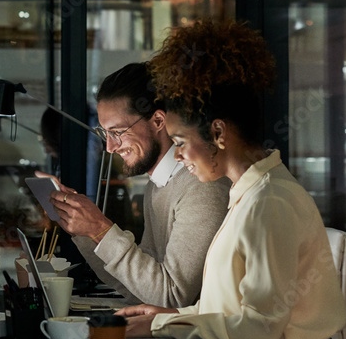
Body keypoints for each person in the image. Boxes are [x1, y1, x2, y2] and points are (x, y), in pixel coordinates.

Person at [116, 19, 346, 339]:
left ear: (217, 132)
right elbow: (238, 316)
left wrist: (163, 326)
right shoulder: (251, 194)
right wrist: (169, 316)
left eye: (179, 142)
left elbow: (257, 332)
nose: (179, 156)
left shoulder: (270, 203)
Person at [48, 61, 230, 309]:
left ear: (157, 121)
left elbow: (172, 297)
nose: (110, 147)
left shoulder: (202, 187)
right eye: (105, 134)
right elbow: (140, 288)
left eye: (118, 131)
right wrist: (85, 230)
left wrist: (100, 229)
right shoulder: (156, 185)